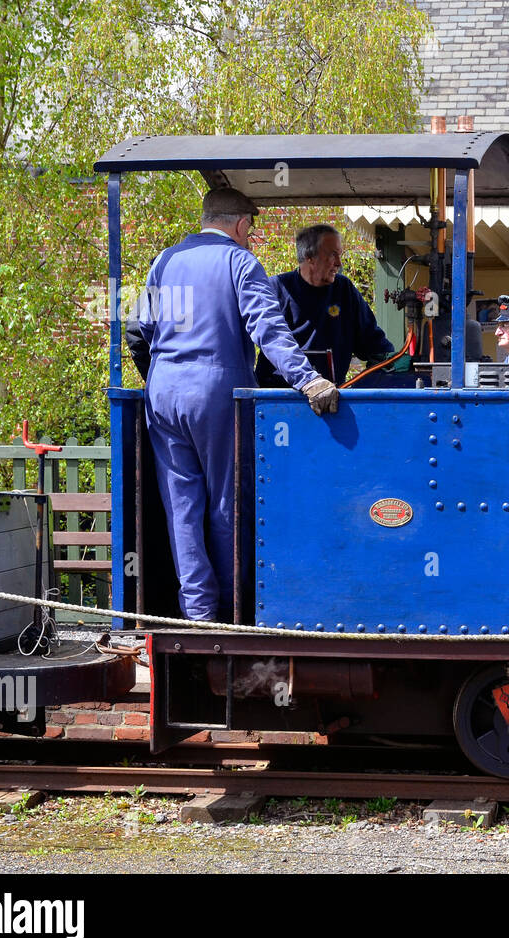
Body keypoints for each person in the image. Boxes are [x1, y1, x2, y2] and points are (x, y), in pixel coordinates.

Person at [125, 188, 338, 622]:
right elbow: (269, 331)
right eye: (251, 230)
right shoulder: (240, 262)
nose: (251, 238)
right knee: (228, 502)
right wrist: (309, 380)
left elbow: (136, 332)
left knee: (181, 507)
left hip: (163, 396)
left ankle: (197, 613)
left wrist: (162, 380)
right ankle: (228, 611)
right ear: (241, 225)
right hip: (217, 392)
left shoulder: (163, 262)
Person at [255, 224, 395, 387]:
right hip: (277, 397)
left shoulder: (345, 290)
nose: (339, 263)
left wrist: (390, 363)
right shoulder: (276, 289)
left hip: (329, 396)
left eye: (340, 255)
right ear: (310, 256)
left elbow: (373, 344)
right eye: (333, 255)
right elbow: (266, 338)